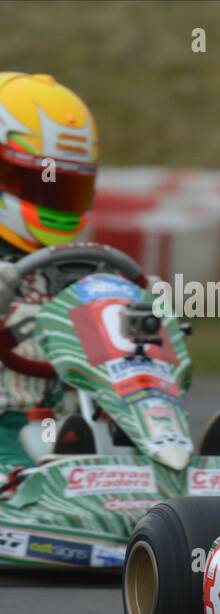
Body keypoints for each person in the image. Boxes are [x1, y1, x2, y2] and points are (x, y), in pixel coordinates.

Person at [0, 72, 99, 470]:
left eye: (65, 188)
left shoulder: (75, 267)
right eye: (41, 183)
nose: (54, 199)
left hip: (67, 431)